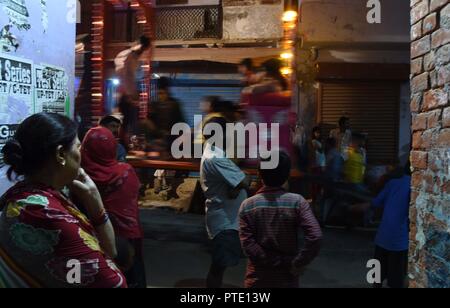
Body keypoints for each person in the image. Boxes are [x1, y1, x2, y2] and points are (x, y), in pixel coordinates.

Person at [0, 113, 126, 288]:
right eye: (78, 146)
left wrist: (93, 198)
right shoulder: (45, 213)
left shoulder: (27, 196)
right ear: (60, 154)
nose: (81, 153)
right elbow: (113, 283)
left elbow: (110, 251)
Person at [239, 151, 322, 288]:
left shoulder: (247, 205)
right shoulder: (298, 202)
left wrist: (275, 261)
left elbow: (248, 245)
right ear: (287, 175)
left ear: (259, 174)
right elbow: (316, 236)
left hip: (257, 281)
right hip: (287, 280)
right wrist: (297, 262)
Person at [81, 126, 146, 288]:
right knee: (132, 278)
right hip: (128, 235)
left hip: (96, 239)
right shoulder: (126, 171)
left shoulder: (80, 177)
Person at [200, 117, 250, 288]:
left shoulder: (214, 151)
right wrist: (239, 180)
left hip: (226, 217)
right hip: (225, 221)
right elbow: (245, 180)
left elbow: (237, 181)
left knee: (219, 267)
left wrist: (236, 182)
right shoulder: (215, 158)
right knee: (218, 268)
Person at [371, 163, 411, 288]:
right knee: (396, 281)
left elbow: (376, 202)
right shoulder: (415, 186)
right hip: (399, 242)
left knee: (376, 278)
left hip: (382, 238)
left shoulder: (392, 183)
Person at [115, 35, 152, 140]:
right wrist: (132, 95)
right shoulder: (131, 57)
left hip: (126, 94)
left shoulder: (131, 56)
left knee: (128, 121)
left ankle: (124, 143)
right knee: (129, 121)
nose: (144, 52)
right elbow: (128, 76)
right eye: (145, 49)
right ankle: (124, 143)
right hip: (127, 95)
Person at [144, 77, 185, 153]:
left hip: (171, 140)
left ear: (167, 92)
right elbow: (149, 123)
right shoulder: (154, 104)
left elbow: (182, 123)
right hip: (157, 140)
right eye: (159, 93)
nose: (161, 96)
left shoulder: (175, 104)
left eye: (163, 93)